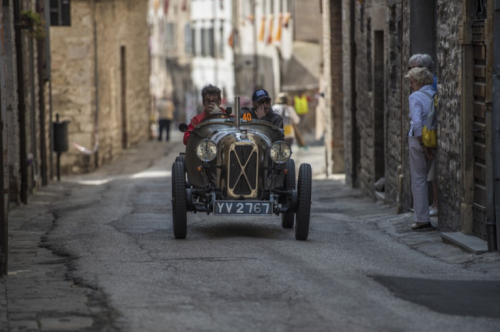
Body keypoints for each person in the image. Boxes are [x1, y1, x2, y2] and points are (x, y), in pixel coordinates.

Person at [406, 67, 436, 230]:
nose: (411, 85)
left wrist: (423, 145)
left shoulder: (415, 96)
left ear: (419, 81)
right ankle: (431, 210)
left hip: (419, 140)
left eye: (412, 82)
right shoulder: (434, 93)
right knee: (434, 176)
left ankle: (422, 218)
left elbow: (417, 123)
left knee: (418, 178)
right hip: (434, 137)